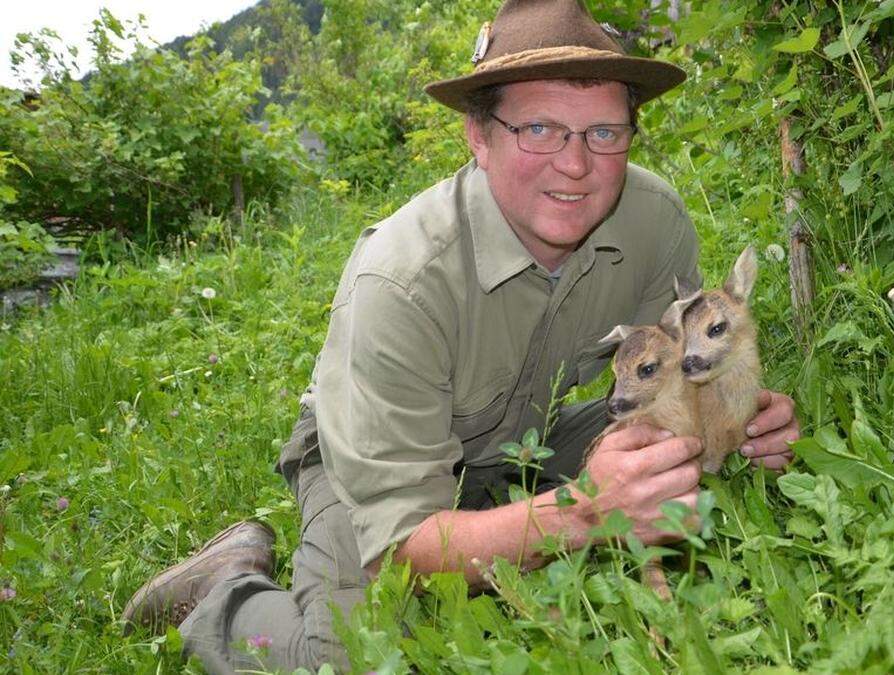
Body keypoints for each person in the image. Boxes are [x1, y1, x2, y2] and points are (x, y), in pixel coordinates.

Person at [120, 0, 799, 671]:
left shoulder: (654, 221)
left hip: (525, 439)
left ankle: (509, 515)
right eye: (538, 128)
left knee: (678, 474)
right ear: (478, 136)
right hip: (374, 458)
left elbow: (680, 371)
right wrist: (585, 509)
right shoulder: (402, 280)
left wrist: (740, 414)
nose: (576, 163)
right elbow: (401, 545)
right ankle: (225, 590)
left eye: (604, 132)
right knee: (355, 657)